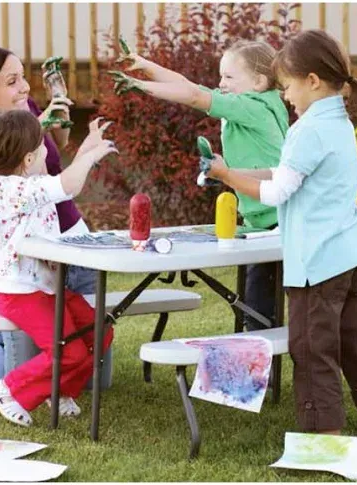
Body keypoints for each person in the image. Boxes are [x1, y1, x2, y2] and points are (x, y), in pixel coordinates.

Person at [206, 29, 357, 438]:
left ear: (312, 80)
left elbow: (276, 192)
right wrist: (232, 173)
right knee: (356, 344)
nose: (285, 95)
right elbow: (287, 175)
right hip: (351, 254)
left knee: (313, 351)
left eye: (288, 85)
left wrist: (226, 176)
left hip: (319, 265)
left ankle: (325, 441)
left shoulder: (307, 130)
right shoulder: (337, 120)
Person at [0, 46, 101, 389]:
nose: (26, 88)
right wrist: (31, 131)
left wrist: (57, 127)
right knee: (11, 374)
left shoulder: (25, 109)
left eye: (23, 77)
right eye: (13, 81)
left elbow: (53, 160)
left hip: (72, 241)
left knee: (93, 380)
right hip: (28, 266)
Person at [115, 39, 288, 332]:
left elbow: (194, 96)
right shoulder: (251, 103)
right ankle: (258, 360)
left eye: (230, 77)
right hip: (263, 223)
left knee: (259, 314)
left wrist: (141, 86)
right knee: (256, 306)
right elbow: (187, 85)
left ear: (259, 81)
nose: (221, 83)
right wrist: (145, 66)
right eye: (221, 76)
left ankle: (260, 366)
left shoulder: (253, 106)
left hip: (275, 225)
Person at [0, 109, 117, 426]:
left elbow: (62, 182)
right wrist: (89, 159)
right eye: (44, 144)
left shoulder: (26, 183)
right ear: (28, 159)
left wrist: (88, 144)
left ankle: (58, 392)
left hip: (47, 288)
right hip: (20, 293)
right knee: (71, 352)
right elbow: (69, 185)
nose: (49, 148)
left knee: (100, 332)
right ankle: (10, 390)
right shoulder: (11, 191)